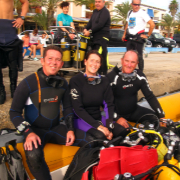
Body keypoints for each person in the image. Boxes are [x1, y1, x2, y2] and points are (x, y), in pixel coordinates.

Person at [10, 45, 96, 180]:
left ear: (62, 63)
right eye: (50, 58)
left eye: (57, 60)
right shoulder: (28, 83)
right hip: (35, 131)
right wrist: (28, 132)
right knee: (33, 155)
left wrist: (70, 129)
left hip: (56, 128)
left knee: (90, 141)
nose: (54, 63)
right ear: (42, 60)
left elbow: (67, 108)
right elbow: (14, 112)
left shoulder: (62, 83)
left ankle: (74, 176)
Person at [69, 50, 128, 141]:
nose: (94, 64)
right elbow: (78, 109)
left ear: (100, 65)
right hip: (80, 120)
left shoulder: (104, 81)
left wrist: (109, 127)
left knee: (121, 131)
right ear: (85, 62)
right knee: (100, 136)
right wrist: (99, 127)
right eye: (91, 60)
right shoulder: (76, 81)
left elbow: (109, 105)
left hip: (98, 117)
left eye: (97, 62)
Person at [106, 50, 165, 129]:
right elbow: (104, 102)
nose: (129, 65)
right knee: (124, 132)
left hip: (134, 111)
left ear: (137, 63)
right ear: (122, 60)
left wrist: (161, 115)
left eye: (133, 62)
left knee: (155, 119)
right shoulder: (111, 77)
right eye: (127, 61)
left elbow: (150, 96)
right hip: (117, 114)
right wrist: (117, 118)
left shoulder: (140, 76)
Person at [0, 0, 29, 104]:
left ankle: (14, 90)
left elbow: (25, 2)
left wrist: (22, 17)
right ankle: (1, 91)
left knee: (13, 65)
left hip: (9, 28)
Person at [122, 0, 155, 72]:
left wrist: (147, 35)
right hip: (130, 37)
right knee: (128, 56)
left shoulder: (143, 13)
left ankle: (140, 73)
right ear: (131, 4)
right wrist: (124, 34)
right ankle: (127, 72)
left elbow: (152, 24)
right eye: (135, 4)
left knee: (139, 57)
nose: (137, 6)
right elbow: (127, 24)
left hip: (138, 38)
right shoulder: (129, 12)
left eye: (138, 5)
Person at [83, 0, 110, 75]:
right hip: (95, 38)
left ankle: (103, 74)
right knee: (93, 56)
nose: (97, 3)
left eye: (99, 2)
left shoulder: (105, 12)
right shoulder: (95, 11)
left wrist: (90, 32)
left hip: (102, 38)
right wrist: (85, 29)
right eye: (96, 2)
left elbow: (100, 25)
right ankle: (94, 73)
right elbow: (90, 23)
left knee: (99, 57)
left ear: (103, 2)